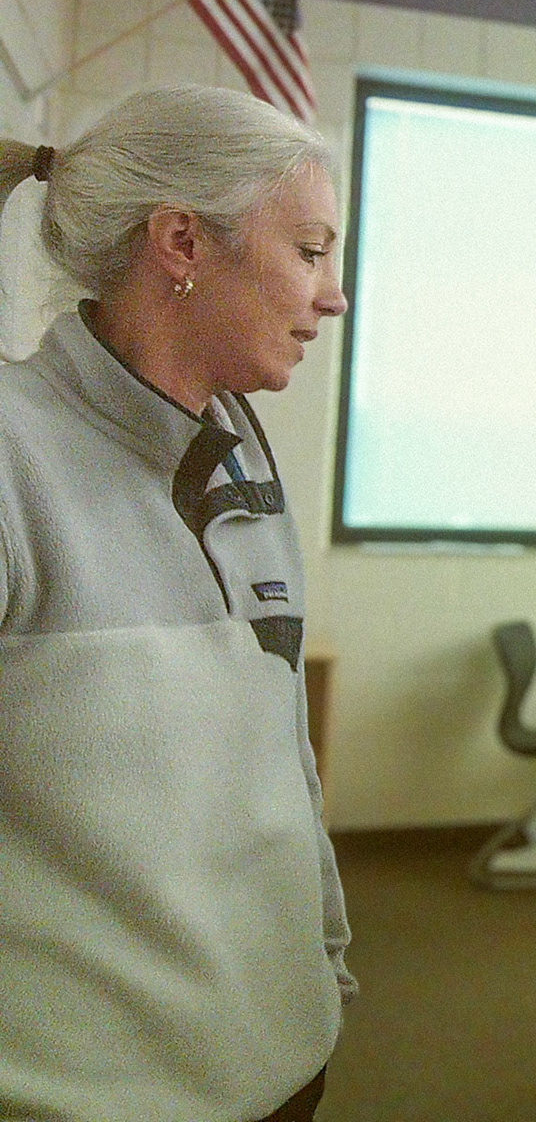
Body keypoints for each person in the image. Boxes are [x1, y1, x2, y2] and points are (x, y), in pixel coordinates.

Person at [0, 84, 353, 1122]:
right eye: (311, 249)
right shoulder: (13, 454)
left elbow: (279, 752)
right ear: (182, 243)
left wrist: (324, 968)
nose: (332, 296)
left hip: (283, 1059)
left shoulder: (237, 440)